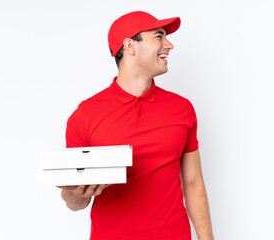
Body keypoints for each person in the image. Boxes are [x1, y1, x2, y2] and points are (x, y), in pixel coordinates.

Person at [58, 11, 213, 240]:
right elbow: (73, 202)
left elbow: (193, 183)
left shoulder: (182, 109)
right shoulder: (85, 115)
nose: (169, 45)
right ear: (130, 45)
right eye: (159, 36)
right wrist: (79, 195)